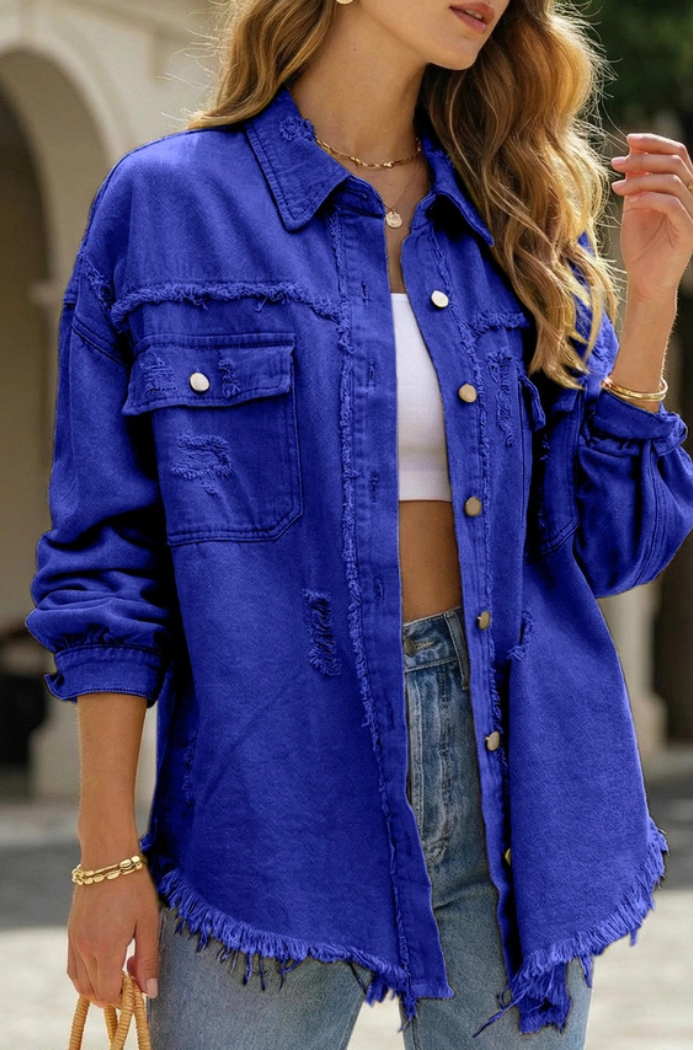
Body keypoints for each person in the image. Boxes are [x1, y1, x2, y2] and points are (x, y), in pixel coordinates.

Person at [25, 0, 693, 1047]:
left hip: (514, 797)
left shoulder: (512, 212)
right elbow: (108, 561)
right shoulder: (167, 207)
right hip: (267, 797)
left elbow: (609, 547)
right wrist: (106, 856)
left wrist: (648, 302)